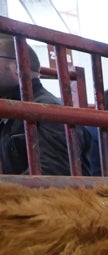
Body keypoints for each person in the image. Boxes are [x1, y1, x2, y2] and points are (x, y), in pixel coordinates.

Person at [0, 35, 96, 176]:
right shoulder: (11, 111)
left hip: (49, 197)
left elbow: (53, 174)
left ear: (17, 67)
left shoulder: (49, 110)